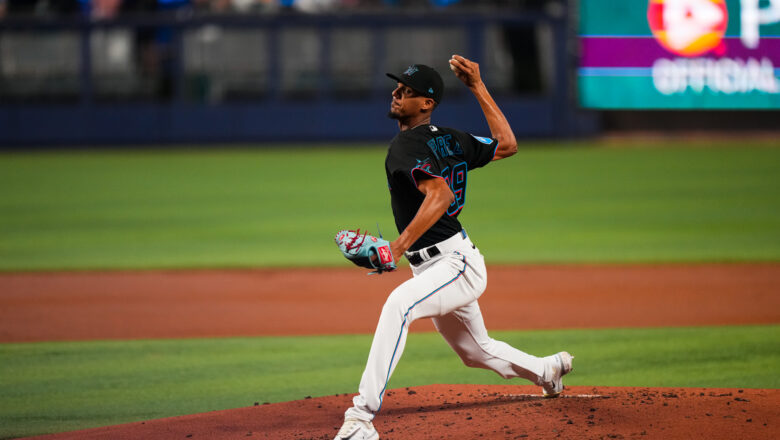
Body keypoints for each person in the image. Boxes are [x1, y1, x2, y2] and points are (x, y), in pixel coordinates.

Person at [333, 55, 573, 440]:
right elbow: (507, 144)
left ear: (426, 103)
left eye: (406, 91)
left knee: (399, 306)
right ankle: (546, 370)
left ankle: (361, 418)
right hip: (441, 264)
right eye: (397, 87)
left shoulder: (406, 146)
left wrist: (395, 247)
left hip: (455, 263)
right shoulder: (450, 138)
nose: (396, 93)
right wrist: (477, 85)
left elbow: (440, 194)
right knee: (475, 351)